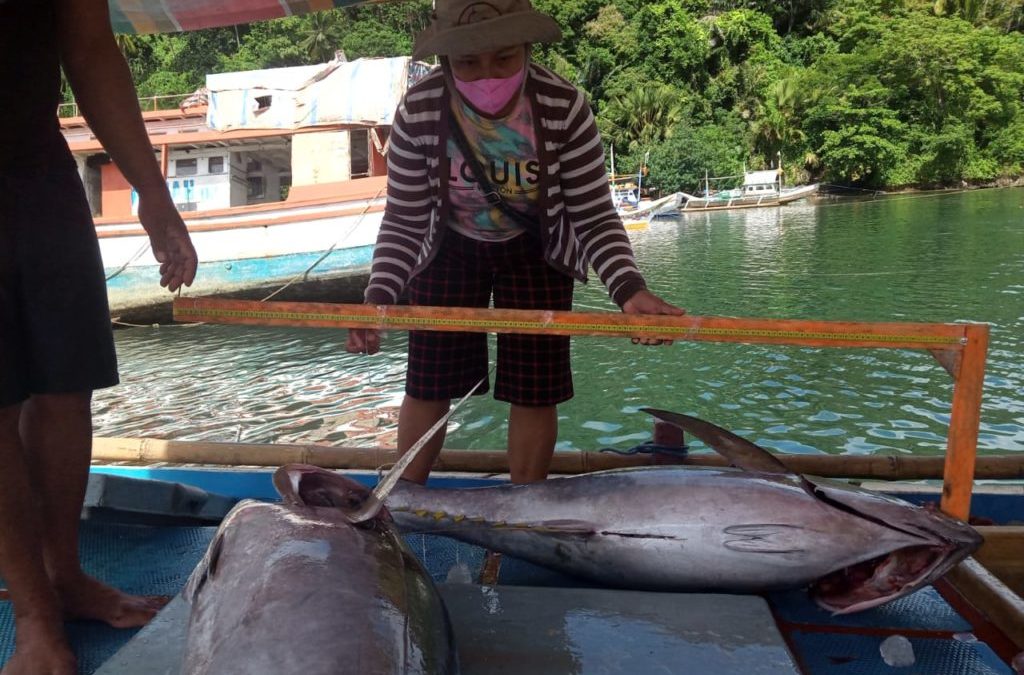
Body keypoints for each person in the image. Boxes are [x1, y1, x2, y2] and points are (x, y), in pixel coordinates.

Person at [346, 0, 683, 485]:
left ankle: (526, 502)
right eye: (467, 62)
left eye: (503, 59)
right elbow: (406, 219)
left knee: (534, 388)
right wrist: (376, 300)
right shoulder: (419, 111)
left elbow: (591, 213)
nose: (486, 74)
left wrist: (629, 290)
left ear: (527, 48)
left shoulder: (563, 106)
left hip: (537, 248)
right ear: (445, 61)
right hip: (448, 246)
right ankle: (401, 499)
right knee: (428, 381)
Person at [0, 1, 198, 673]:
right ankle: (34, 615)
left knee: (64, 381)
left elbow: (88, 50)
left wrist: (155, 197)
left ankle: (67, 575)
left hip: (34, 163)